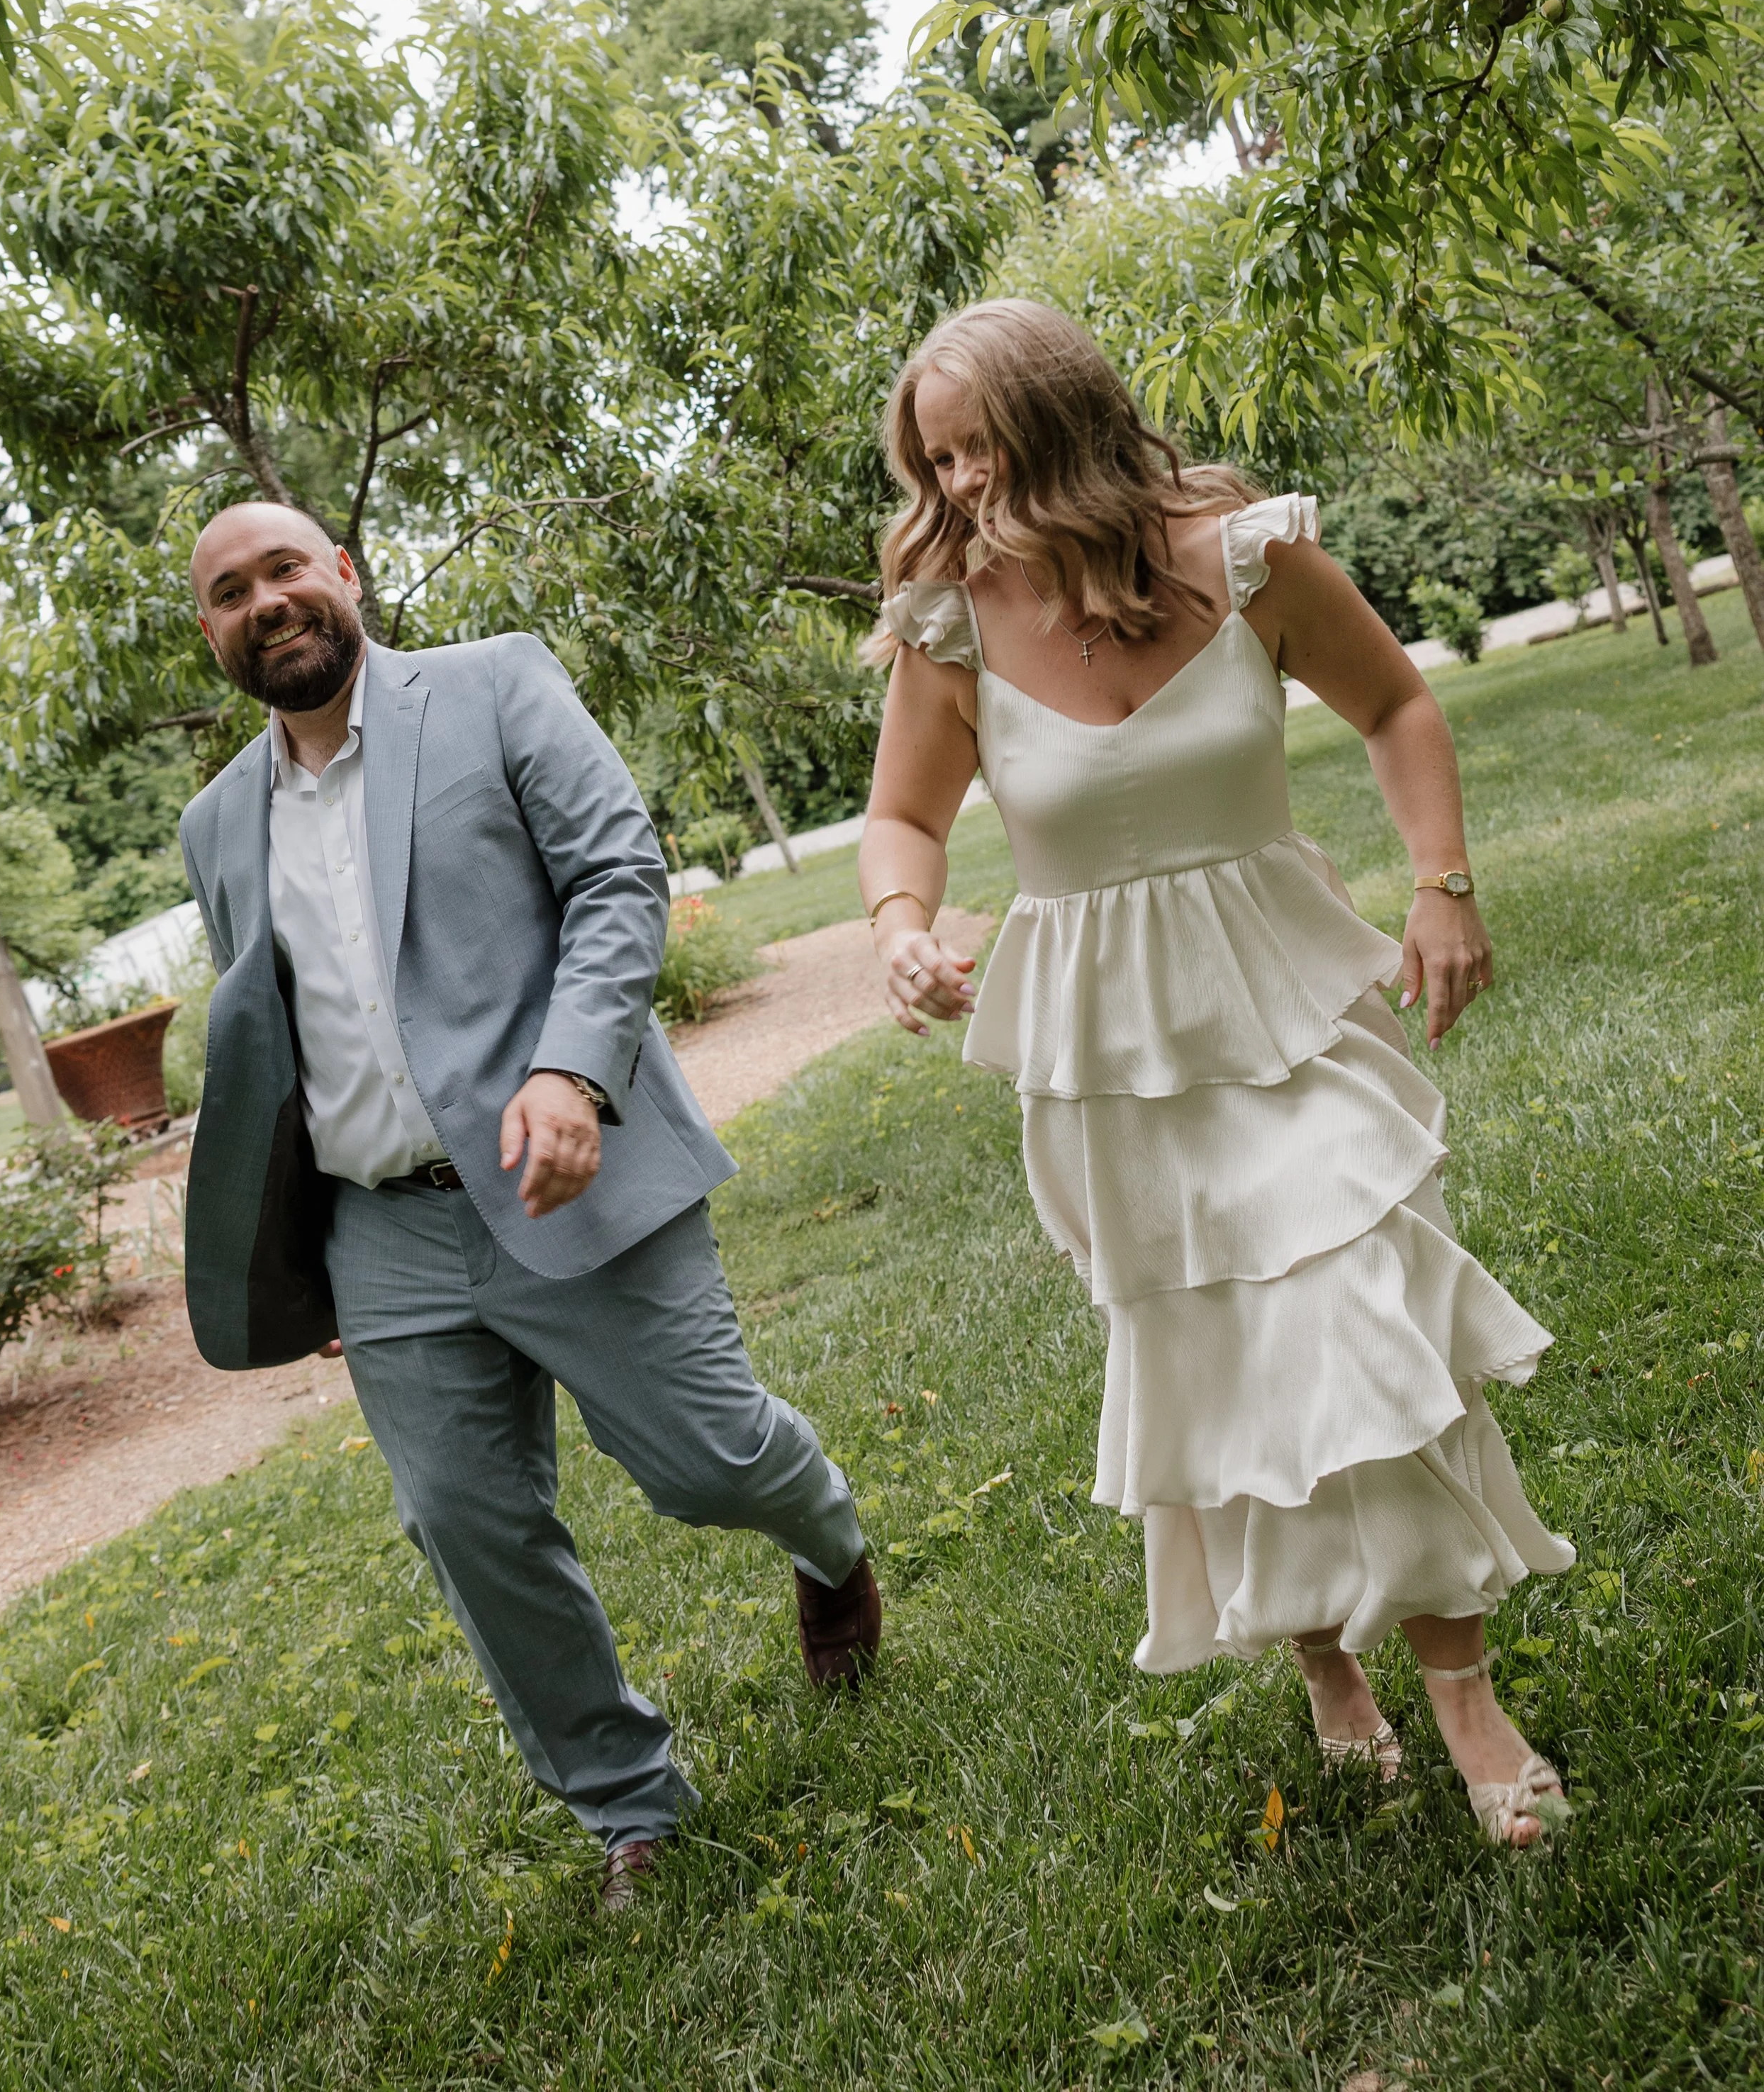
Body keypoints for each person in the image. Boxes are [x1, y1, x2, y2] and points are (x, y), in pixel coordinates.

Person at [859, 301, 1573, 1849]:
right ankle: (1325, 1666)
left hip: (1283, 990)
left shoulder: (1243, 553)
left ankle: (1460, 1696)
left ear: (1064, 418)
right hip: (1102, 1053)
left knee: (1358, 1310)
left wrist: (1438, 882)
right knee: (1220, 1363)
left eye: (981, 442)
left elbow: (1393, 703)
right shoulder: (949, 618)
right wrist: (897, 926)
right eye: (938, 455)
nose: (962, 479)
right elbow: (901, 822)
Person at [179, 499, 881, 1913]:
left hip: (564, 1160)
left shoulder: (493, 683)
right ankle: (632, 1807)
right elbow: (279, 1049)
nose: (264, 601)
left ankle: (825, 1535)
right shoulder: (215, 828)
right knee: (466, 1523)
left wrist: (572, 1073)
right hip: (380, 1236)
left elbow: (615, 872)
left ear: (345, 577)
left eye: (285, 570)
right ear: (210, 634)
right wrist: (298, 1256)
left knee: (703, 1461)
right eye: (227, 591)